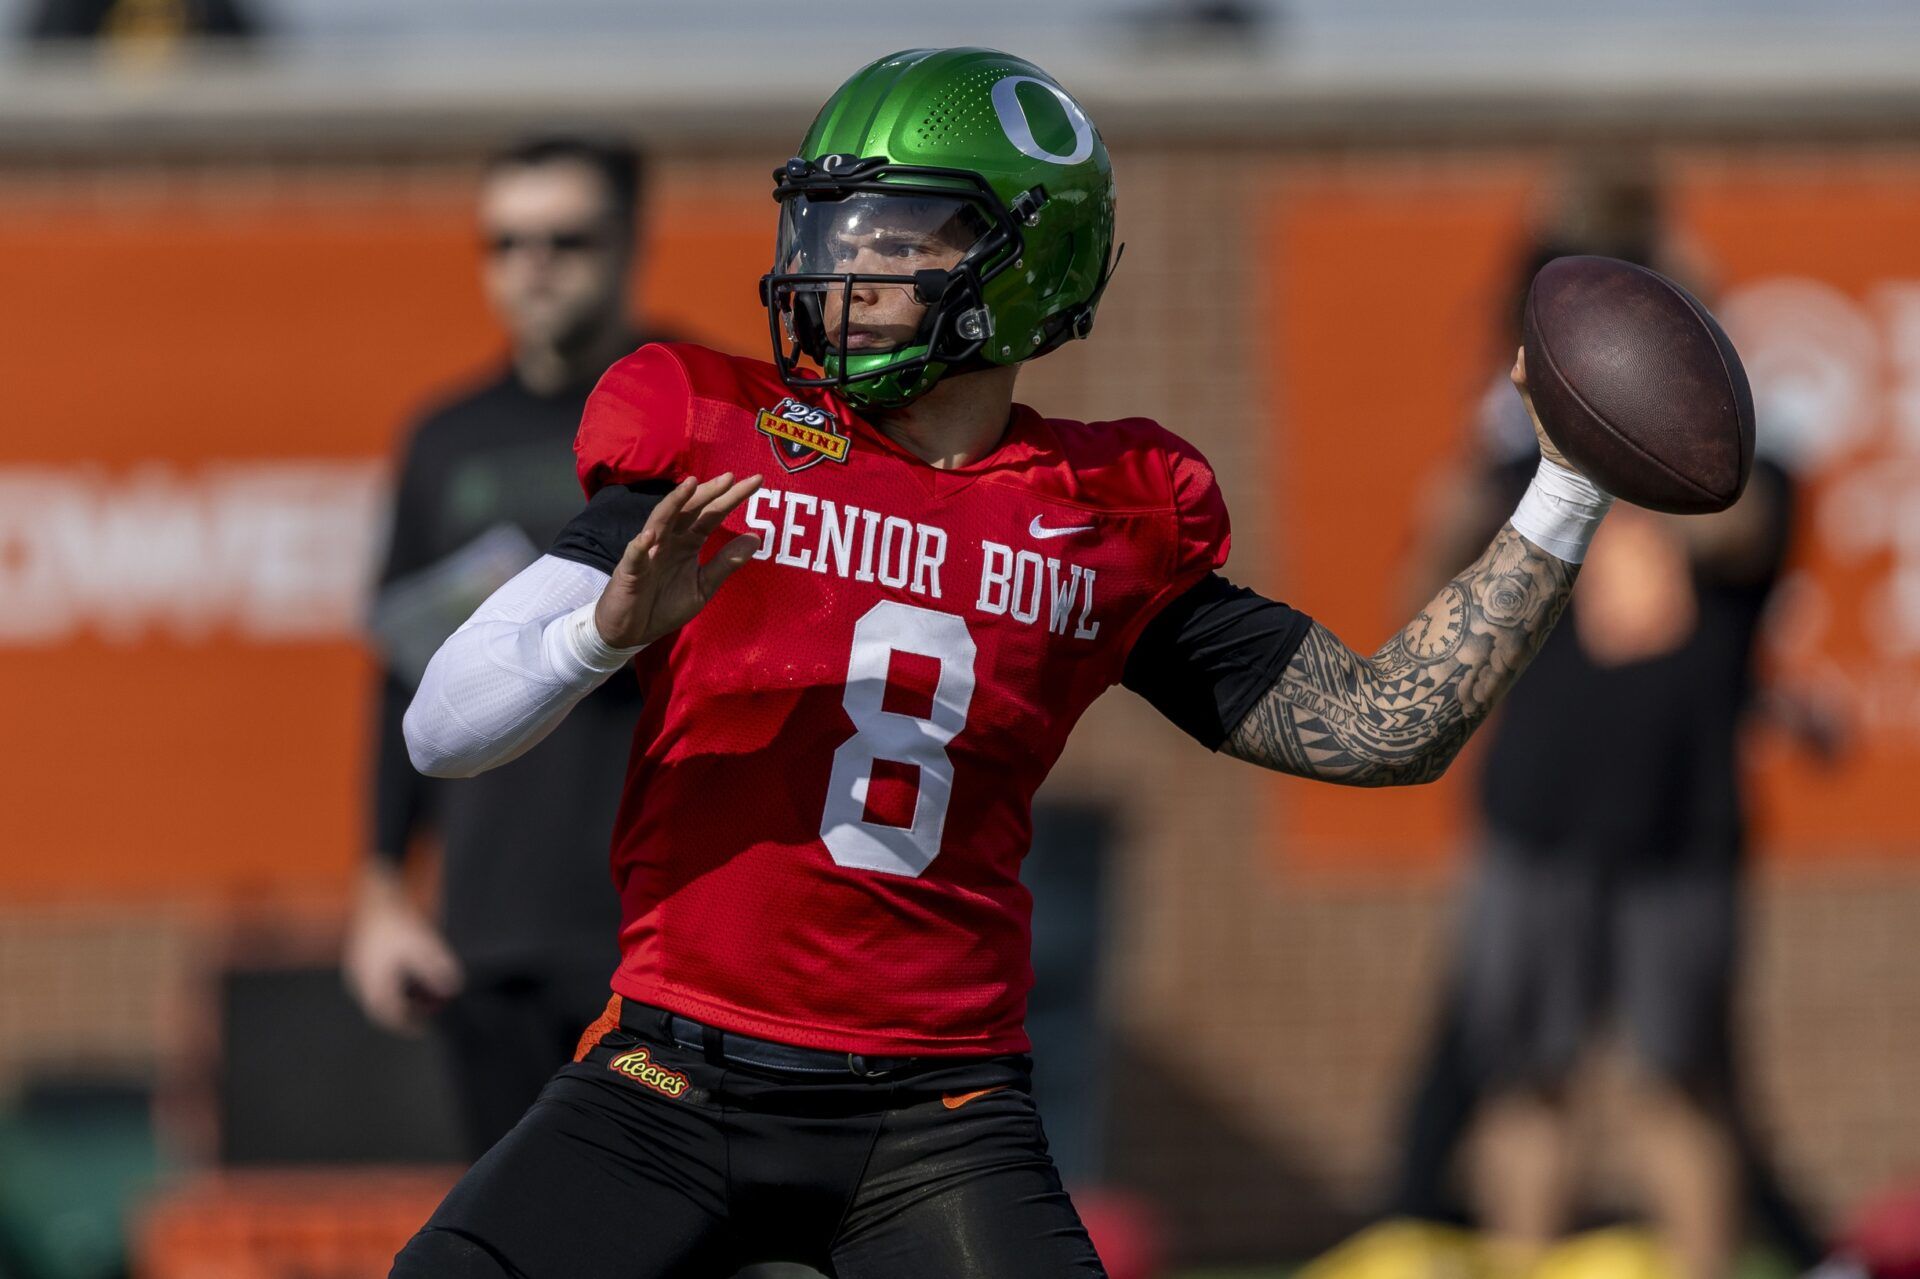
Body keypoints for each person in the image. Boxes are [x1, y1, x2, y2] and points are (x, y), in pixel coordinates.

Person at [387, 48, 1623, 1278]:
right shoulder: (722, 440)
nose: (846, 264)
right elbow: (441, 728)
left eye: (899, 232)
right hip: (671, 1068)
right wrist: (603, 629)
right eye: (831, 224)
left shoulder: (1104, 515)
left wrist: (1564, 489)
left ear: (1027, 260)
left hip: (934, 1114)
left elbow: (1381, 727)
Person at [1388, 212, 1812, 1279]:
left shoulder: (1747, 470)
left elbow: (1733, 524)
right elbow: (1423, 605)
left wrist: (1664, 379)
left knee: (1684, 1081)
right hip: (1539, 811)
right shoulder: (1515, 474)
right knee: (1529, 1078)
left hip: (1682, 820)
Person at [343, 135, 670, 1159]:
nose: (534, 265)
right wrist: (384, 891)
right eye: (507, 241)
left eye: (567, 238)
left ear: (630, 243)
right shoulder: (446, 440)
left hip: (658, 928)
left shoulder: (697, 420)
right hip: (490, 932)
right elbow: (404, 670)